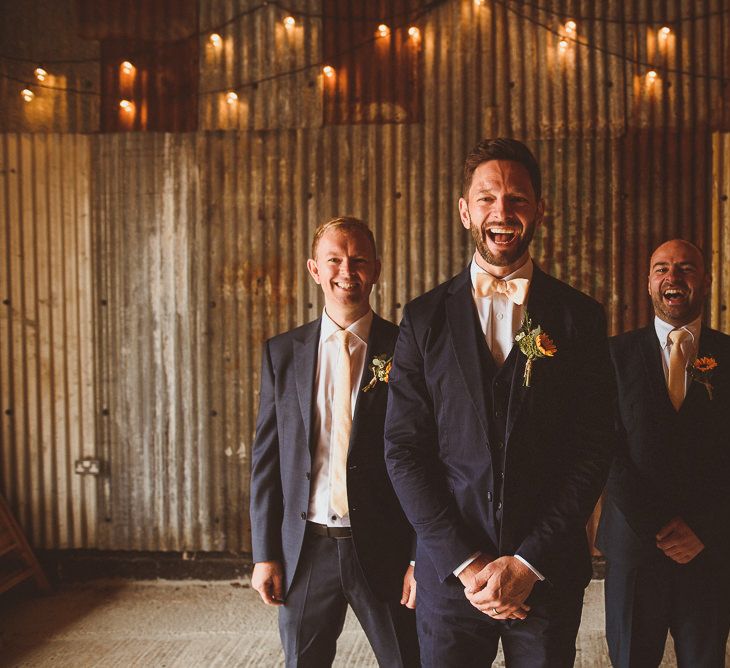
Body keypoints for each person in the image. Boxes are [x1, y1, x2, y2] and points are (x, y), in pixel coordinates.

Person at [384, 137, 615, 667]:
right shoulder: (422, 319)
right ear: (465, 211)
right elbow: (403, 449)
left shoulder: (579, 318)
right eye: (486, 198)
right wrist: (468, 564)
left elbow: (593, 447)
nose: (502, 212)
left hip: (546, 572)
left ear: (539, 210)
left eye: (517, 199)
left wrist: (528, 562)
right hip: (450, 577)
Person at [249, 217, 419, 667]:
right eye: (335, 260)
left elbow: (430, 460)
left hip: (385, 547)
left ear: (377, 269)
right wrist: (265, 554)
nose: (348, 270)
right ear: (314, 269)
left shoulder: (408, 350)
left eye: (359, 260)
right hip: (306, 549)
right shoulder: (282, 354)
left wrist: (421, 559)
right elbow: (266, 461)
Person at [597, 238, 730, 667]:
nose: (673, 277)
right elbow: (602, 448)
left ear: (705, 280)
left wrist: (704, 527)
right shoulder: (612, 357)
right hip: (634, 552)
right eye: (661, 268)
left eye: (686, 268)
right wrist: (658, 524)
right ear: (649, 283)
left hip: (709, 554)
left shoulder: (728, 356)